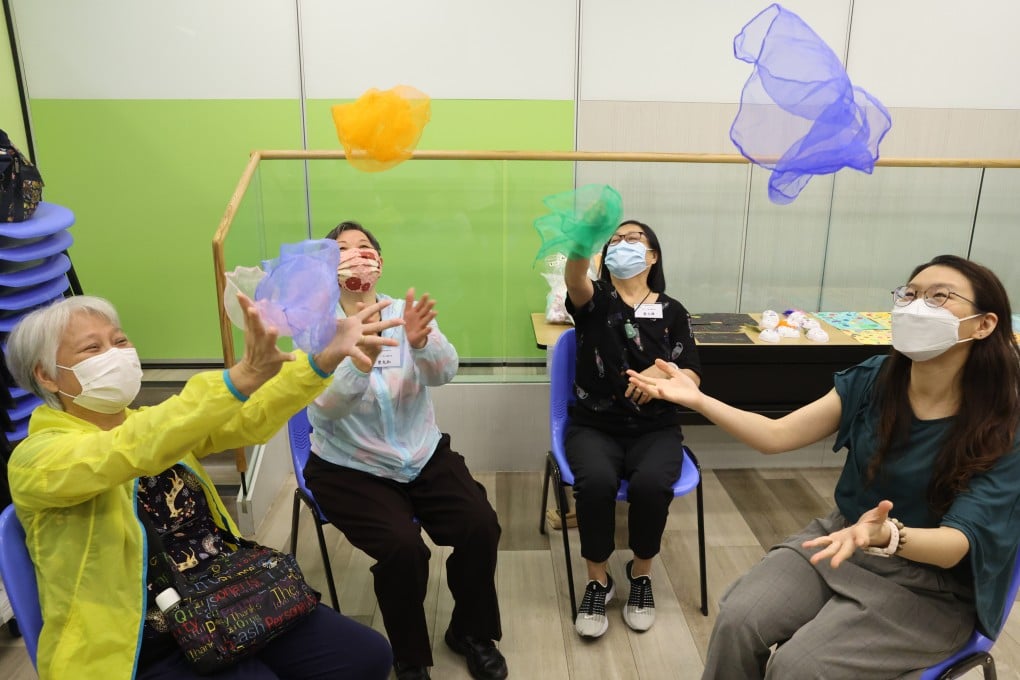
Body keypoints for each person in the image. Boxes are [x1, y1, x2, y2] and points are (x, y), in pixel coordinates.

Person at [628, 254, 1020, 679]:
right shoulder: (876, 378)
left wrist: (887, 535)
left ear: (984, 324)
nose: (917, 307)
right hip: (842, 539)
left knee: (798, 668)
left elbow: (957, 543)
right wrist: (698, 400)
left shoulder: (1004, 423)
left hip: (932, 586)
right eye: (910, 295)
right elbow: (776, 435)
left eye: (939, 296)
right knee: (738, 620)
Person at [6, 293, 401, 680]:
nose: (115, 354)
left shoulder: (155, 423)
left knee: (366, 656)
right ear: (46, 375)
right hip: (138, 638)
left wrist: (320, 361)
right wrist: (238, 378)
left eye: (120, 340)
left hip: (224, 596)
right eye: (92, 348)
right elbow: (125, 451)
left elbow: (248, 418)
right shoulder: (37, 459)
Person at [302, 221, 507, 680]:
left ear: (380, 261)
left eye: (365, 247)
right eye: (341, 250)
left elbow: (444, 372)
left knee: (480, 525)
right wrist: (360, 362)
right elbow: (325, 408)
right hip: (349, 465)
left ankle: (470, 632)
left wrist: (422, 343)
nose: (356, 255)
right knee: (402, 549)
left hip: (421, 452)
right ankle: (410, 657)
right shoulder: (315, 328)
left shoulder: (404, 312)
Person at [563, 219, 702, 638]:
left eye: (633, 238)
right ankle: (597, 581)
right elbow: (574, 278)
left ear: (652, 255)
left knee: (651, 485)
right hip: (595, 425)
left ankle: (641, 575)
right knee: (596, 483)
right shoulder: (595, 300)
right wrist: (583, 241)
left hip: (655, 427)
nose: (622, 243)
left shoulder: (673, 311)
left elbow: (692, 376)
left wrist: (661, 378)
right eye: (615, 240)